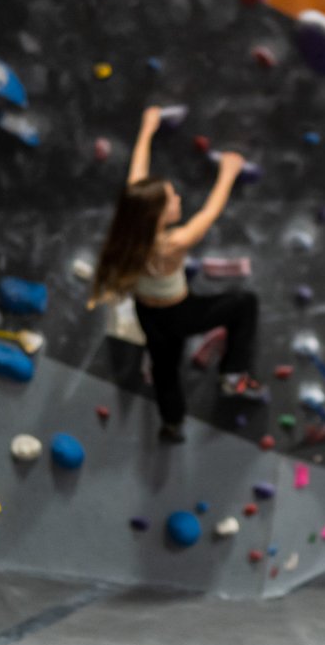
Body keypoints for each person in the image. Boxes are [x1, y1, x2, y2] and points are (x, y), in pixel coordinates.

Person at [89, 106, 264, 443]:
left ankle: (172, 424)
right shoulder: (174, 243)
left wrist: (147, 129)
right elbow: (211, 211)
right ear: (159, 216)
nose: (178, 199)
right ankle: (232, 375)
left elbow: (137, 176)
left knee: (165, 368)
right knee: (244, 303)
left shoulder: (129, 225)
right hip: (180, 312)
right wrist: (228, 172)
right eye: (171, 200)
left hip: (147, 312)